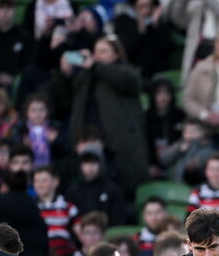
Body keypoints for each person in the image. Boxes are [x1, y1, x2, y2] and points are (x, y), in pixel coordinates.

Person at [53, 34, 148, 195]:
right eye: (96, 51)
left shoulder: (126, 71)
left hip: (117, 147)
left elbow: (129, 82)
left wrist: (95, 66)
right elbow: (64, 101)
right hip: (85, 143)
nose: (97, 56)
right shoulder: (85, 75)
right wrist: (65, 74)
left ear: (116, 54)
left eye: (103, 51)